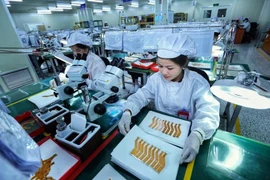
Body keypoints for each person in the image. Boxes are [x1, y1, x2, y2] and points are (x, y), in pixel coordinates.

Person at [118, 34, 220, 164]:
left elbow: (208, 110)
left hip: (187, 134)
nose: (164, 72)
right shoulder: (155, 80)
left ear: (183, 65)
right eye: (160, 66)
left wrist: (198, 134)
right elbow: (141, 96)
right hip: (159, 129)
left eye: (170, 68)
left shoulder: (197, 83)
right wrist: (128, 111)